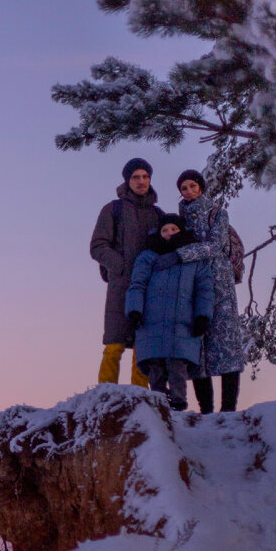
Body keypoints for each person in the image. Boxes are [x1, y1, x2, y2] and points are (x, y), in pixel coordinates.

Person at [152, 169, 245, 412]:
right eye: (184, 188)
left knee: (226, 344)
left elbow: (215, 245)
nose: (189, 191)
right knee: (197, 346)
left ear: (201, 187)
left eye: (192, 186)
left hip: (219, 281)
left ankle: (228, 409)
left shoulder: (218, 213)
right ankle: (205, 410)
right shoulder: (181, 219)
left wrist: (180, 255)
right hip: (192, 282)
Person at [125, 214, 214, 410]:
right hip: (151, 320)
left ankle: (179, 402)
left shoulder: (193, 259)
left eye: (173, 229)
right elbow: (137, 285)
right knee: (155, 365)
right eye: (165, 230)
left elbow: (204, 289)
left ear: (181, 230)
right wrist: (134, 310)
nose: (169, 233)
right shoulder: (147, 257)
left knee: (177, 364)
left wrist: (203, 316)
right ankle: (158, 404)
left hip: (182, 321)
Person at [90, 157, 164, 387]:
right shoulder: (114, 209)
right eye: (136, 177)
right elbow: (98, 246)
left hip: (149, 289)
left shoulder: (158, 214)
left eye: (145, 176)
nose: (141, 181)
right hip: (121, 287)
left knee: (143, 345)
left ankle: (139, 396)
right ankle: (105, 393)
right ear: (127, 180)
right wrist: (119, 267)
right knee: (114, 344)